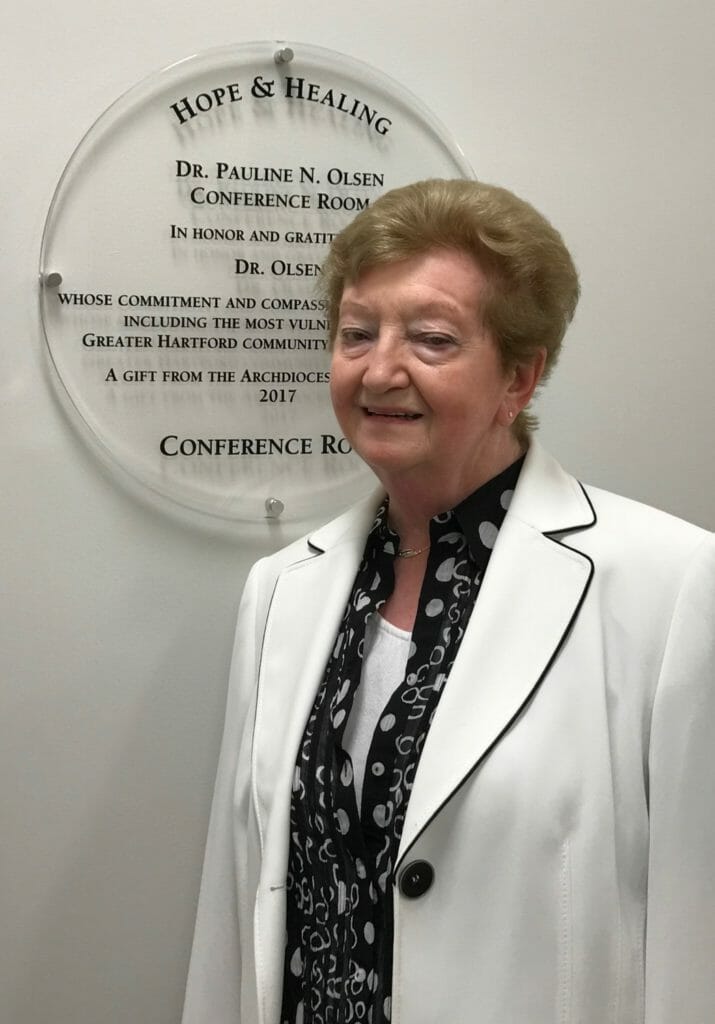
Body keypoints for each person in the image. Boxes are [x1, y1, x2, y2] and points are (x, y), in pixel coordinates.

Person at [182, 179, 715, 1024]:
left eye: (430, 339)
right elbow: (237, 897)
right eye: (357, 333)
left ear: (519, 376)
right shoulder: (281, 589)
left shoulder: (670, 583)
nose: (379, 368)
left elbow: (698, 934)